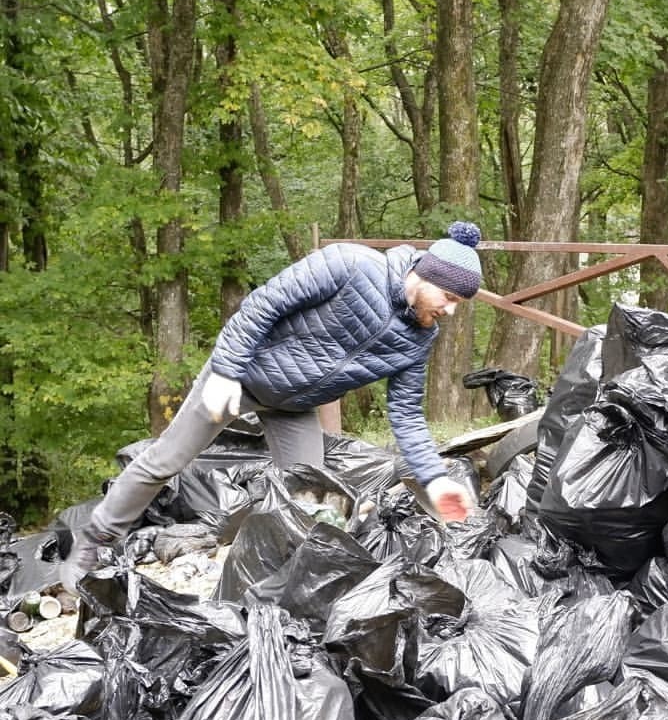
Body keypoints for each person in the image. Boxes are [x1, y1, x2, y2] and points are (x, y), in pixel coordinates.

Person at [59, 221, 484, 593]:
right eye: (446, 296)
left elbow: (407, 415)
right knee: (164, 461)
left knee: (311, 498)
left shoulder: (419, 337)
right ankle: (91, 546)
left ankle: (281, 580)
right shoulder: (350, 264)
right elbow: (263, 306)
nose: (448, 310)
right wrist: (225, 371)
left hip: (295, 406)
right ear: (423, 274)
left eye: (457, 305)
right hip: (240, 376)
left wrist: (435, 480)